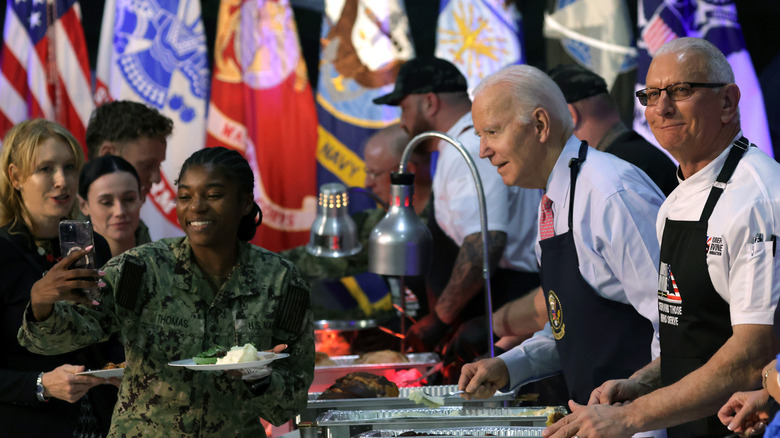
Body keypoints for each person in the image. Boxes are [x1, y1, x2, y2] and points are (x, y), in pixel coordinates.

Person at [544, 37, 780, 438]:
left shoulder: (756, 197)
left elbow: (751, 357)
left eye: (681, 91)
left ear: (728, 102)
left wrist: (629, 418)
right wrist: (643, 383)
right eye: (651, 95)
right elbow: (691, 336)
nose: (661, 108)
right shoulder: (675, 202)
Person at [18, 146, 315, 437]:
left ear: (246, 202)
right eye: (185, 196)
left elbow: (289, 405)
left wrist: (261, 378)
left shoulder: (281, 282)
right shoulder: (141, 269)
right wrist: (41, 305)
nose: (196, 206)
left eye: (213, 195)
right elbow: (59, 339)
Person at [459, 64, 664, 421]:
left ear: (540, 125)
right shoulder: (554, 200)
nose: (483, 150)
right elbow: (570, 325)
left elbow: (677, 325)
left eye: (492, 131)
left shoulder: (609, 193)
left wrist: (644, 419)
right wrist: (508, 366)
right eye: (479, 135)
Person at [373, 56, 543, 373]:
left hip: (510, 301)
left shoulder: (468, 147)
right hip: (497, 303)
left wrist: (440, 318)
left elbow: (484, 243)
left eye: (404, 108)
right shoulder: (456, 147)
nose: (402, 121)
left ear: (429, 102)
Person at [0, 119, 118, 437]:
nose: (62, 181)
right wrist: (41, 384)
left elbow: (110, 335)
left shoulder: (96, 244)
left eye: (69, 167)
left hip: (100, 421)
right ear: (15, 177)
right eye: (46, 169)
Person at [548, 63, 678, 196]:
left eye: (544, 122)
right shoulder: (639, 158)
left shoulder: (615, 175)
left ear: (571, 116)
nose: (543, 134)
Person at [85, 100, 173, 244]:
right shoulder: (62, 240)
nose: (157, 178)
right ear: (108, 155)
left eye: (158, 165)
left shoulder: (138, 229)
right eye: (147, 165)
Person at [78, 155, 143, 257]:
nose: (119, 212)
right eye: (106, 202)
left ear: (141, 198)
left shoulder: (163, 264)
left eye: (129, 199)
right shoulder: (74, 270)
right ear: (84, 206)